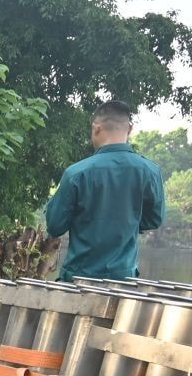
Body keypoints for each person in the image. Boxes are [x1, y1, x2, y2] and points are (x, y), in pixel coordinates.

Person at [45, 100, 165, 281]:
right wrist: (127, 221)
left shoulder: (77, 173)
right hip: (124, 283)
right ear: (129, 129)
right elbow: (154, 220)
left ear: (96, 128)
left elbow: (55, 225)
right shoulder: (149, 171)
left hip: (78, 280)